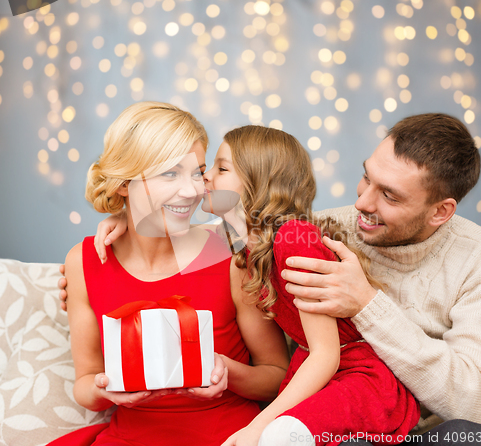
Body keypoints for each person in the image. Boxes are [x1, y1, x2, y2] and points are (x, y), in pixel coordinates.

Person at [72, 125, 421, 445]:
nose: (202, 180)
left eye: (217, 170)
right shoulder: (244, 243)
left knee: (280, 434)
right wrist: (122, 215)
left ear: (257, 182)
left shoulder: (292, 238)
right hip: (317, 370)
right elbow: (158, 219)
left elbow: (325, 353)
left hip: (353, 374)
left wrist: (258, 426)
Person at [50, 102, 289, 446]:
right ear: (122, 183)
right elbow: (85, 385)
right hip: (130, 437)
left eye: (198, 172)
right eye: (170, 174)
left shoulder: (231, 254)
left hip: (227, 435)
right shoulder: (84, 261)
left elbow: (277, 375)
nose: (192, 191)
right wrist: (109, 390)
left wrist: (224, 369)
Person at [277, 113, 481, 445]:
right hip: (334, 424)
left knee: (469, 438)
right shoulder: (320, 231)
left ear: (440, 211)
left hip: (426, 436)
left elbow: (478, 407)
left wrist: (367, 305)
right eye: (366, 178)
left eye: (390, 197)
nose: (362, 203)